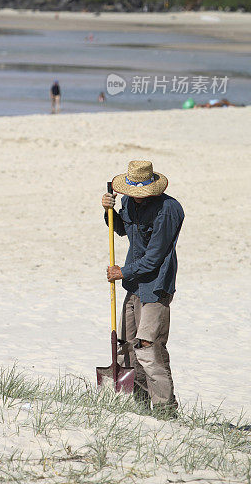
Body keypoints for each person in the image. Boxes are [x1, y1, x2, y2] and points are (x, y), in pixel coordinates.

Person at [101, 160, 184, 418]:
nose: (135, 199)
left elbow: (154, 258)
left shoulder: (168, 210)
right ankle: (139, 408)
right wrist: (108, 212)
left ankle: (164, 412)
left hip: (156, 287)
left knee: (148, 348)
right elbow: (123, 230)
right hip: (134, 287)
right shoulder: (127, 202)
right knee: (126, 349)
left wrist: (122, 271)